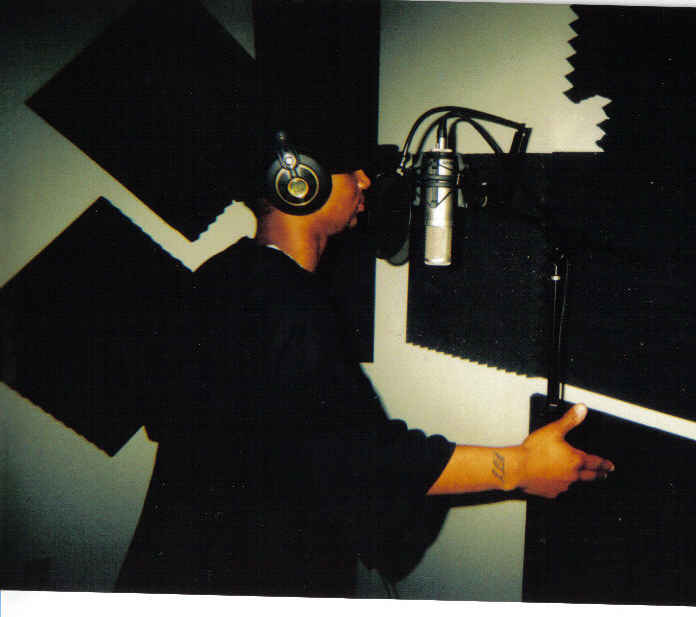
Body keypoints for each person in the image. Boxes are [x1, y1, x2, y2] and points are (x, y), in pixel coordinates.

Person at [115, 134, 614, 598]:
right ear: (299, 181)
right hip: (241, 574)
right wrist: (519, 467)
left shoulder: (228, 275)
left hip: (186, 560)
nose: (365, 181)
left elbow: (293, 445)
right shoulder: (282, 300)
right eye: (349, 169)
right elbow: (359, 461)